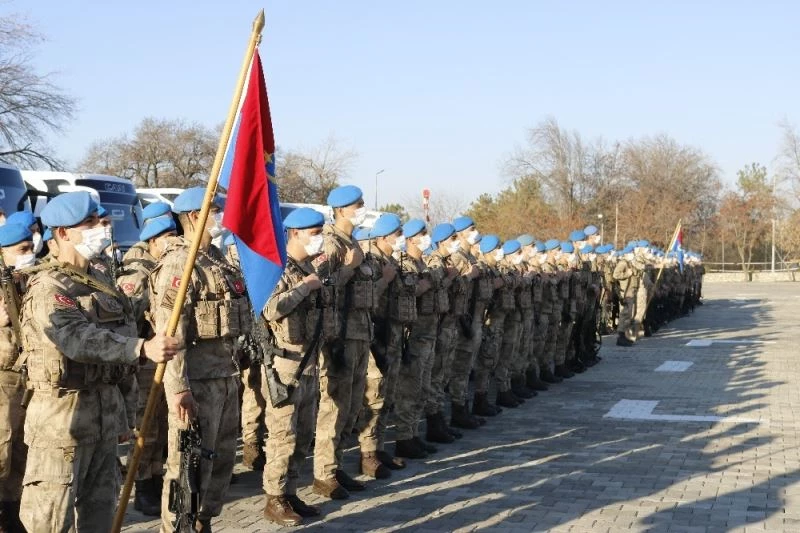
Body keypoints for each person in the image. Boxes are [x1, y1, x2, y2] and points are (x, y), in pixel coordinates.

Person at [17, 191, 178, 532]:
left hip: (105, 417)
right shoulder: (48, 286)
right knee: (50, 521)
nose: (100, 229)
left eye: (100, 221)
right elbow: (76, 339)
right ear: (62, 233)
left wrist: (126, 411)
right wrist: (140, 348)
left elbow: (124, 327)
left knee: (100, 513)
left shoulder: (101, 278)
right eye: (89, 223)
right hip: (63, 423)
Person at [151, 187, 251, 532]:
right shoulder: (181, 262)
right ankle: (177, 527)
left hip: (225, 376)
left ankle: (202, 523)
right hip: (196, 383)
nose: (223, 214)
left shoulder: (218, 262)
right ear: (195, 216)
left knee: (220, 461)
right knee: (189, 467)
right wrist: (178, 389)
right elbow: (170, 332)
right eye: (217, 209)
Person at [312, 185, 392, 498]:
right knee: (333, 407)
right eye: (357, 204)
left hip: (360, 335)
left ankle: (338, 467)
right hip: (339, 338)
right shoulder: (330, 243)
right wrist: (349, 268)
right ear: (342, 210)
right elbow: (321, 287)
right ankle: (323, 474)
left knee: (351, 407)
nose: (362, 208)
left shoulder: (352, 241)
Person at [261, 207, 330, 526]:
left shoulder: (307, 266)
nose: (319, 239)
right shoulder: (278, 267)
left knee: (303, 433)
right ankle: (274, 498)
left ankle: (290, 492)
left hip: (309, 361)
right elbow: (271, 309)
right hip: (285, 363)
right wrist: (305, 287)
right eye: (314, 233)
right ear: (295, 234)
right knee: (282, 434)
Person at [117, 216, 178, 516]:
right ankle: (141, 485)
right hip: (143, 360)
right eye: (167, 236)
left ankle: (155, 478)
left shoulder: (163, 267)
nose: (172, 240)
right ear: (153, 241)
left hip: (161, 356)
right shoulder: (137, 274)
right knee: (145, 427)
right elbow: (126, 317)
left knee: (161, 424)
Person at [359, 214, 414, 474]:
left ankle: (379, 448)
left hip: (393, 335)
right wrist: (385, 279)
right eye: (397, 233)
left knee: (388, 395)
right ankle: (367, 453)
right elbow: (365, 297)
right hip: (375, 336)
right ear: (383, 237)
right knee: (374, 396)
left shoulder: (392, 261)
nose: (401, 237)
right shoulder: (370, 262)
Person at [393, 219, 443, 459]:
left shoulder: (424, 263)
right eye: (422, 234)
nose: (426, 237)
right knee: (409, 389)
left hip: (429, 333)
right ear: (411, 239)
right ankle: (403, 437)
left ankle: (413, 434)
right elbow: (409, 292)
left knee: (422, 388)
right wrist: (425, 283)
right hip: (413, 335)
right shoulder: (405, 264)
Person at [0, 223, 36, 531]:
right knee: (2, 451)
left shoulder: (31, 281)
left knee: (21, 454)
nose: (29, 255)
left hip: (27, 378)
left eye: (30, 248)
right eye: (21, 251)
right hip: (2, 379)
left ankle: (13, 515)